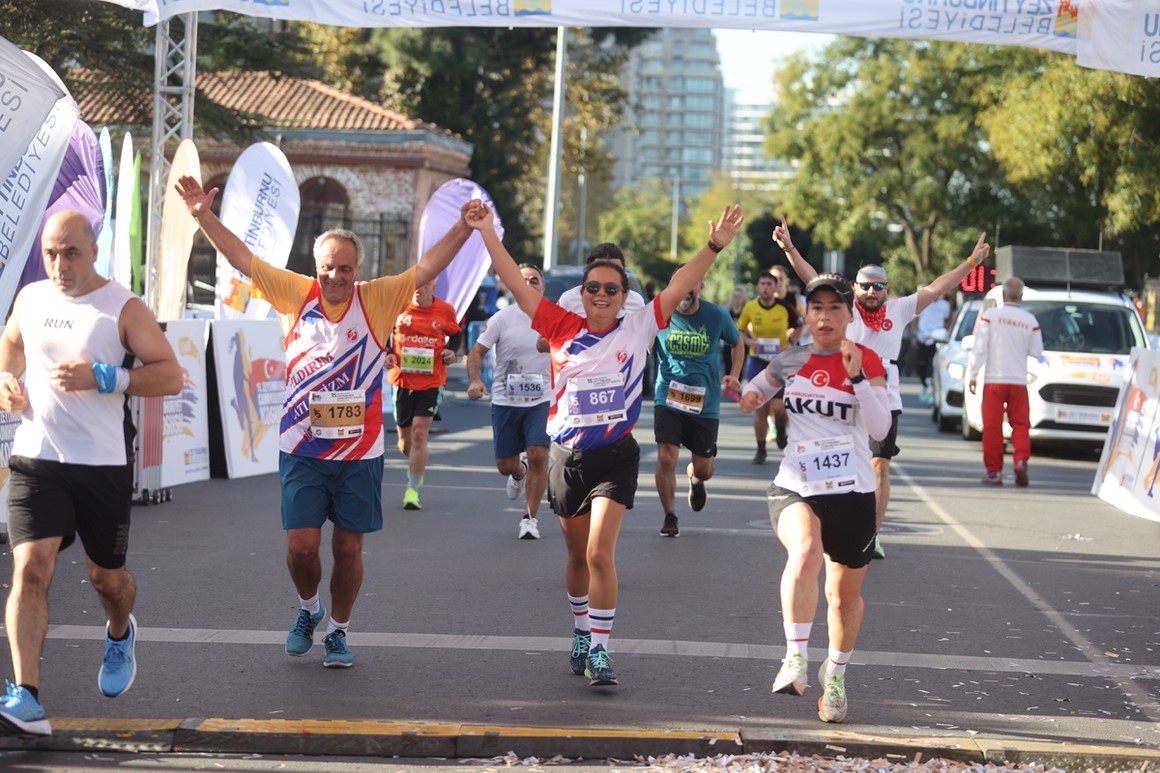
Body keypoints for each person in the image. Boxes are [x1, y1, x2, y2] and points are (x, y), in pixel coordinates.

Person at [176, 175, 478, 669]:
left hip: (359, 454)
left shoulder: (377, 298)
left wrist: (466, 229)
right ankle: (307, 608)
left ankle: (338, 630)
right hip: (303, 448)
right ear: (316, 268)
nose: (335, 276)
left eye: (344, 268)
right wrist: (201, 215)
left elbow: (429, 265)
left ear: (358, 269)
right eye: (327, 268)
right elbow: (242, 260)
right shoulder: (297, 294)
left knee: (348, 547)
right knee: (301, 546)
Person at [467, 201, 744, 688]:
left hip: (616, 456)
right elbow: (514, 281)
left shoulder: (640, 327)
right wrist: (489, 230)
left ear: (624, 298)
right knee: (576, 556)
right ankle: (579, 631)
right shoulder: (557, 326)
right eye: (592, 287)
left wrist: (714, 246)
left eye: (610, 289)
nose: (600, 294)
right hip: (566, 456)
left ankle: (600, 650)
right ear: (582, 294)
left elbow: (680, 282)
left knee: (599, 553)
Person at [0, 211, 182, 736]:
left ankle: (121, 630)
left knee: (106, 579)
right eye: (52, 254)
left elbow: (170, 375)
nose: (60, 264)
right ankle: (26, 696)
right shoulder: (30, 298)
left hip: (101, 464)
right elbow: (9, 350)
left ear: (94, 251)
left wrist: (107, 377)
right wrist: (8, 382)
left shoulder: (121, 307)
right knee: (31, 570)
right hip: (38, 458)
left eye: (71, 253)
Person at [777, 216, 989, 559]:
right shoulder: (845, 310)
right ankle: (829, 520)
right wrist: (789, 247)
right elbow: (810, 277)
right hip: (842, 397)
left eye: (878, 286)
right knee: (839, 461)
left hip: (881, 398)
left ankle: (870, 534)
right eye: (865, 285)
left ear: (887, 289)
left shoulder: (899, 310)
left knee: (879, 466)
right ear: (854, 288)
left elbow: (938, 288)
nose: (872, 291)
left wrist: (971, 263)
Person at [740, 272, 890, 725]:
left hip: (853, 492)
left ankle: (837, 677)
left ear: (849, 315)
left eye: (835, 308)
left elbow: (881, 430)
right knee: (805, 552)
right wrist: (750, 396)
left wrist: (858, 378)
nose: (825, 316)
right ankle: (795, 656)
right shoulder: (793, 359)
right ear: (806, 312)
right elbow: (760, 389)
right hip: (798, 483)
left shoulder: (867, 360)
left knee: (842, 598)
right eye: (817, 308)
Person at [653, 273, 743, 537]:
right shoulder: (660, 314)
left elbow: (738, 343)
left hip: (705, 402)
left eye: (690, 284)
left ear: (700, 287)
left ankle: (696, 478)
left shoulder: (716, 315)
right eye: (677, 284)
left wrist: (735, 375)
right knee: (666, 456)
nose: (684, 291)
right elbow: (639, 342)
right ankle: (670, 515)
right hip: (667, 396)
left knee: (705, 468)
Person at [466, 263, 551, 539]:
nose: (528, 285)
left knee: (539, 454)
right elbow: (477, 351)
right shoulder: (503, 318)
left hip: (541, 400)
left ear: (543, 286)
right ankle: (519, 472)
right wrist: (476, 380)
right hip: (506, 401)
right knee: (505, 465)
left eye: (534, 281)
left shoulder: (554, 317)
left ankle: (530, 519)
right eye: (523, 280)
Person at [387, 280, 463, 511]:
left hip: (431, 381)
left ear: (434, 285)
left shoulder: (445, 310)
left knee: (420, 433)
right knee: (404, 443)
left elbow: (455, 335)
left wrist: (452, 352)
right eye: (414, 285)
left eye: (424, 284)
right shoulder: (398, 307)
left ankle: (412, 490)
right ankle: (415, 466)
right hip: (402, 380)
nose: (418, 289)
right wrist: (388, 353)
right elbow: (383, 334)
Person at [967, 277, 1043, 487]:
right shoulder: (1030, 321)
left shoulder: (990, 316)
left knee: (992, 427)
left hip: (994, 380)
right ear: (1021, 297)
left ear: (1003, 294)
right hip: (1018, 381)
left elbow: (979, 348)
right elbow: (1037, 352)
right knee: (1020, 424)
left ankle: (994, 472)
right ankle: (1020, 459)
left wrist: (973, 374)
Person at [737, 272, 793, 463]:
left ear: (776, 287)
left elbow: (799, 325)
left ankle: (780, 428)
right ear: (758, 287)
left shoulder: (785, 307)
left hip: (780, 361)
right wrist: (749, 342)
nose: (766, 287)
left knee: (780, 408)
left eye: (770, 284)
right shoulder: (751, 307)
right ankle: (761, 450)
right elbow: (740, 329)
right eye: (762, 283)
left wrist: (790, 340)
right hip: (758, 360)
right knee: (760, 407)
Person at [555, 243, 646, 317]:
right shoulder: (569, 299)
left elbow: (647, 337)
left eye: (615, 271)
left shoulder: (636, 302)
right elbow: (546, 336)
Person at [916, 292, 953, 405]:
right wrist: (914, 333)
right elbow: (915, 318)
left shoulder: (945, 305)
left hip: (938, 338)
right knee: (921, 364)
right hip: (923, 337)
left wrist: (946, 334)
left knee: (934, 364)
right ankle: (925, 384)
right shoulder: (922, 302)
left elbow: (948, 320)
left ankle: (933, 388)